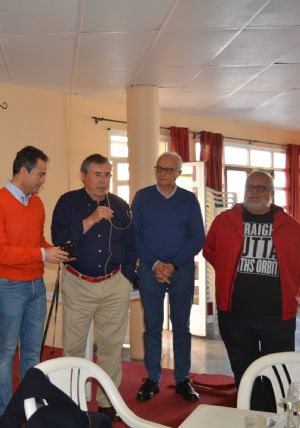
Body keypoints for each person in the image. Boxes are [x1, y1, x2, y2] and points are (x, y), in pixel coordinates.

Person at [0, 146, 69, 422]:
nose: (43, 180)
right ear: (23, 171)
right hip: (7, 285)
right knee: (6, 352)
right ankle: (3, 414)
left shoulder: (37, 204)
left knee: (32, 351)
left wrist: (54, 251)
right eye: (40, 174)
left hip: (35, 284)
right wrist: (42, 254)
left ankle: (32, 410)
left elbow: (37, 242)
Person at [51, 153, 137, 421]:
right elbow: (59, 240)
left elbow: (132, 244)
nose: (103, 180)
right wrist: (91, 219)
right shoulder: (68, 202)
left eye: (107, 175)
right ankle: (71, 401)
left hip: (114, 285)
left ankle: (107, 402)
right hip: (79, 284)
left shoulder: (120, 205)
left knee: (111, 348)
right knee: (73, 348)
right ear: (83, 175)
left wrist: (127, 275)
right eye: (97, 174)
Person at [203, 170, 300, 386]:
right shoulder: (224, 221)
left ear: (272, 193)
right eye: (250, 187)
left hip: (277, 317)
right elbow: (210, 252)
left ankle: (272, 406)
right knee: (243, 372)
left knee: (278, 374)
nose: (254, 192)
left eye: (261, 188)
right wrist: (228, 271)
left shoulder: (291, 226)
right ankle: (248, 405)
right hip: (235, 315)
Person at [131, 151, 204, 402]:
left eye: (168, 170)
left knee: (181, 326)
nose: (162, 173)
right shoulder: (142, 197)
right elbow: (134, 235)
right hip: (149, 270)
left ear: (178, 174)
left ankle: (183, 379)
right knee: (152, 327)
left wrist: (172, 265)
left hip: (181, 270)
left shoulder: (189, 200)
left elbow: (198, 237)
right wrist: (155, 265)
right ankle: (152, 378)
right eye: (159, 168)